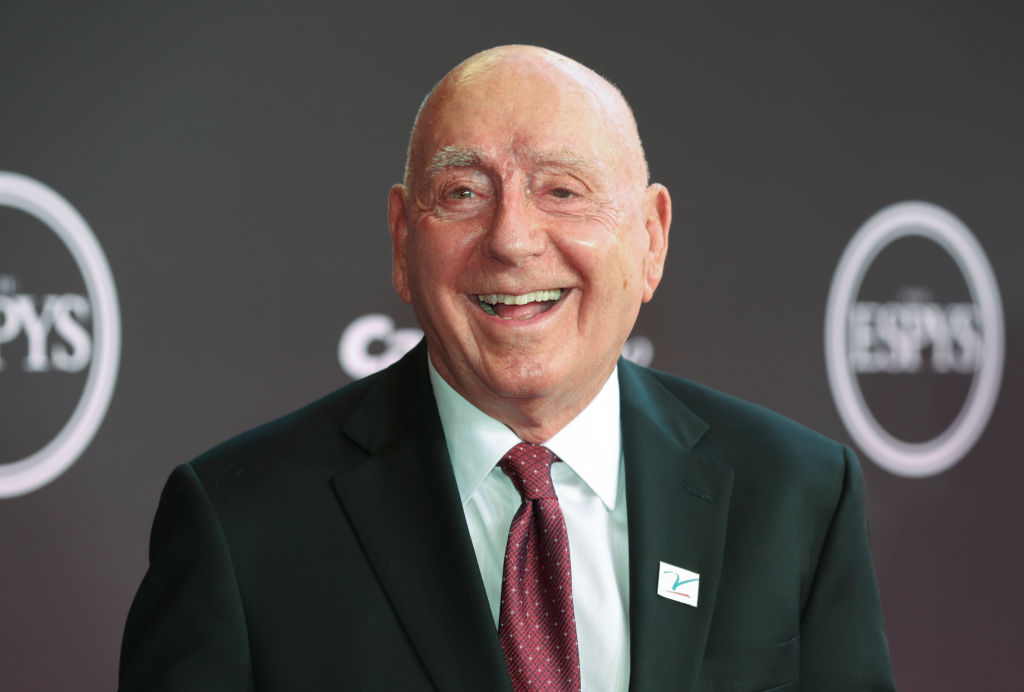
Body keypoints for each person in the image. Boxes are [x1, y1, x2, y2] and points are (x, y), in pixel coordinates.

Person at [120, 45, 895, 691]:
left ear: (651, 238)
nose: (513, 239)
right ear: (400, 240)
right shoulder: (239, 524)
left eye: (562, 190)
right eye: (462, 193)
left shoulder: (797, 495)